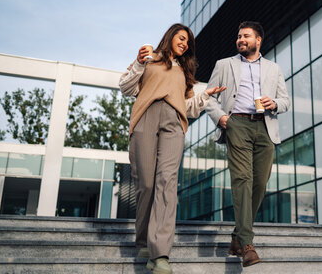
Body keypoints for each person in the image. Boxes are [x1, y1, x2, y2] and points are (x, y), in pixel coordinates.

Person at [119, 23, 225, 274]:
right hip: (146, 118)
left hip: (174, 124)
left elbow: (187, 107)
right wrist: (138, 63)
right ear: (170, 37)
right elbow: (126, 87)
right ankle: (143, 240)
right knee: (146, 184)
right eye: (181, 38)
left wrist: (205, 95)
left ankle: (161, 254)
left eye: (188, 41)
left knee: (166, 183)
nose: (185, 43)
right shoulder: (149, 59)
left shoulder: (184, 71)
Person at [205, 21, 290, 267]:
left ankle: (236, 236)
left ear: (258, 40)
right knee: (242, 178)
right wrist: (221, 117)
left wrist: (274, 102)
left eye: (246, 36)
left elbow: (285, 101)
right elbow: (208, 97)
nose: (241, 39)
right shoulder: (224, 64)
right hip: (236, 124)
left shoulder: (274, 68)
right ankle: (247, 244)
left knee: (260, 183)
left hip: (265, 126)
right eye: (239, 36)